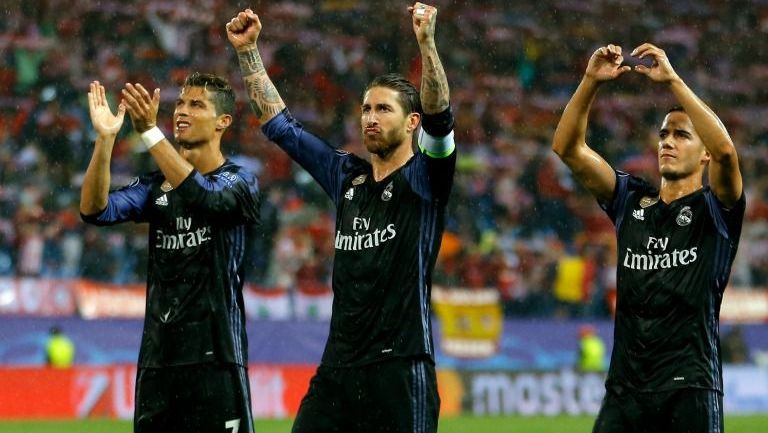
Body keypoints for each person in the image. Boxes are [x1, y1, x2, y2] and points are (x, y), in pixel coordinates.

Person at [226, 3, 454, 432]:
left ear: (412, 124)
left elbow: (442, 118)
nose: (370, 118)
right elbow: (282, 128)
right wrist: (248, 52)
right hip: (338, 369)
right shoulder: (347, 176)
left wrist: (426, 44)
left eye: (384, 109)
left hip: (401, 368)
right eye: (366, 109)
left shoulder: (427, 179)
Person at [552, 43, 744, 433]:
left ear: (703, 154)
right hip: (625, 391)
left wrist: (672, 80)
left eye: (681, 135)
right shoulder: (630, 201)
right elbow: (567, 148)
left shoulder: (717, 211)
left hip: (689, 387)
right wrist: (590, 81)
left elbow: (725, 151)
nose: (667, 141)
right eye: (663, 134)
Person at [80, 73, 260, 432]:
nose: (182, 111)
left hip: (216, 357)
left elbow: (206, 197)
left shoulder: (240, 181)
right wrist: (105, 141)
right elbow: (94, 210)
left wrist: (150, 132)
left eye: (196, 105)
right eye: (179, 103)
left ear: (223, 121)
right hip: (158, 361)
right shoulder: (154, 186)